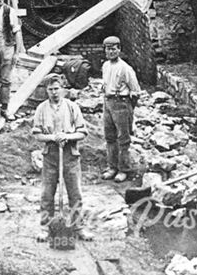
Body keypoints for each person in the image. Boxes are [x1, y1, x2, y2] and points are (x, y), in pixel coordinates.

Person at [33, 75, 92, 242]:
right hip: (50, 155)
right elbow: (37, 134)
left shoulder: (73, 107)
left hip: (70, 154)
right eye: (50, 89)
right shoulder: (41, 109)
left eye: (57, 88)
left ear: (63, 89)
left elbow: (82, 132)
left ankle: (79, 227)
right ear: (46, 91)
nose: (54, 92)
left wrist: (68, 136)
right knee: (47, 193)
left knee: (75, 193)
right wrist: (53, 138)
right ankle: (45, 227)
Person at [101, 36, 141, 183]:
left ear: (119, 49)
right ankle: (112, 167)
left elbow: (136, 91)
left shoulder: (125, 68)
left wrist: (129, 109)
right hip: (108, 102)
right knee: (110, 137)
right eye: (108, 49)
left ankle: (123, 169)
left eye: (113, 49)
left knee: (123, 139)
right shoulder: (105, 66)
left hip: (121, 103)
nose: (110, 52)